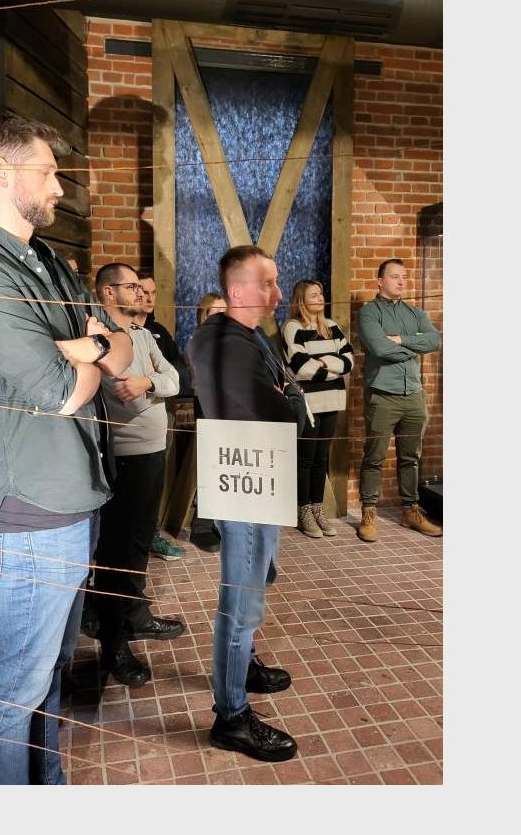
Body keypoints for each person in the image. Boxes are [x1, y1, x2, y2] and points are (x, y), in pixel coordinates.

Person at [0, 113, 134, 785]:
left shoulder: (46, 261)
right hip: (29, 512)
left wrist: (82, 346)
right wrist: (84, 353)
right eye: (47, 171)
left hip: (74, 497)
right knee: (17, 687)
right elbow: (64, 393)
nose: (59, 186)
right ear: (1, 171)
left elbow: (122, 347)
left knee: (49, 672)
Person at [186, 245, 307, 763]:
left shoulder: (244, 336)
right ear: (238, 291)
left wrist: (285, 391)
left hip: (258, 479)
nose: (278, 293)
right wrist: (289, 394)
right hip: (246, 488)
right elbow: (288, 414)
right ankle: (231, 717)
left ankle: (245, 668)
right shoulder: (229, 345)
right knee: (241, 605)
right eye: (268, 283)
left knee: (258, 581)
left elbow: (283, 395)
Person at [87, 262, 186, 687]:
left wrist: (148, 382)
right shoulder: (99, 336)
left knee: (141, 543)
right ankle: (113, 644)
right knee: (116, 554)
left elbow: (175, 378)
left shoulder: (142, 334)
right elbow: (124, 394)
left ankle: (135, 615)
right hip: (124, 456)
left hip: (153, 450)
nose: (141, 293)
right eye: (131, 287)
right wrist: (150, 386)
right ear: (108, 293)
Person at [356, 258, 443, 542]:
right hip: (383, 395)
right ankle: (368, 512)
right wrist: (414, 345)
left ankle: (410, 511)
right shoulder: (369, 313)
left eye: (404, 276)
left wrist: (401, 340)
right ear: (380, 281)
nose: (402, 281)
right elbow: (380, 349)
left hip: (414, 396)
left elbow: (434, 341)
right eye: (395, 276)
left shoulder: (415, 312)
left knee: (410, 457)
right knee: (374, 457)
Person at [282, 279, 355, 539]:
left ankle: (317, 508)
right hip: (309, 404)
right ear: (301, 300)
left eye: (321, 293)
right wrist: (331, 366)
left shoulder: (332, 327)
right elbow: (300, 367)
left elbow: (349, 361)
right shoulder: (293, 327)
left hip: (332, 400)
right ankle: (303, 511)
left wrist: (321, 364)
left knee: (321, 458)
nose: (320, 297)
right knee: (306, 458)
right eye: (313, 294)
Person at [132, 272, 192, 561]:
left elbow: (179, 375)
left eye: (153, 292)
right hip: (125, 422)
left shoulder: (159, 332)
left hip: (160, 416)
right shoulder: (117, 330)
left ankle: (152, 534)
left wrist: (150, 379)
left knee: (155, 479)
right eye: (142, 291)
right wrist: (158, 377)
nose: (148, 297)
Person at [185, 292, 227, 553]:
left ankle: (221, 522)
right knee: (211, 466)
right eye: (216, 311)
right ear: (204, 315)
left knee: (226, 465)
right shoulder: (198, 342)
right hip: (210, 405)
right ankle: (201, 526)